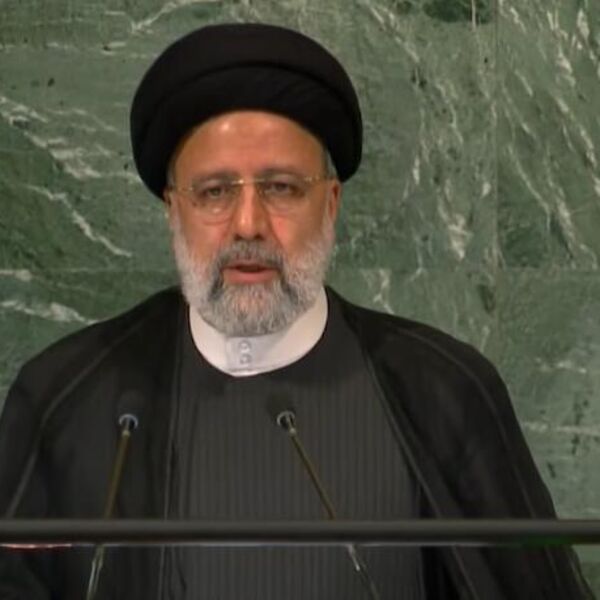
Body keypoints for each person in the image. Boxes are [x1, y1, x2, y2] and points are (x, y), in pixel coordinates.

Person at [0, 23, 592, 600]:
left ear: (330, 204)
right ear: (173, 211)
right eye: (214, 192)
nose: (248, 224)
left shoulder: (446, 392)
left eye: (281, 187)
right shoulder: (63, 399)